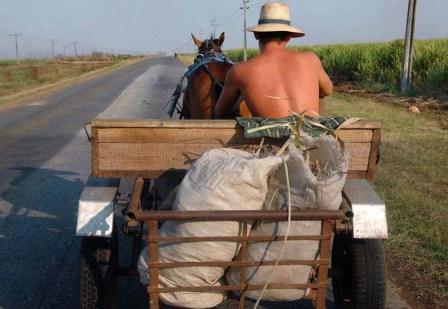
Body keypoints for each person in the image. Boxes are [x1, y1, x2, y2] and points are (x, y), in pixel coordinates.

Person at [214, 2, 333, 118]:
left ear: (256, 35)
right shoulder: (311, 59)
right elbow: (328, 90)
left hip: (271, 138)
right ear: (289, 37)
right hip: (311, 135)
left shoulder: (238, 71)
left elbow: (219, 112)